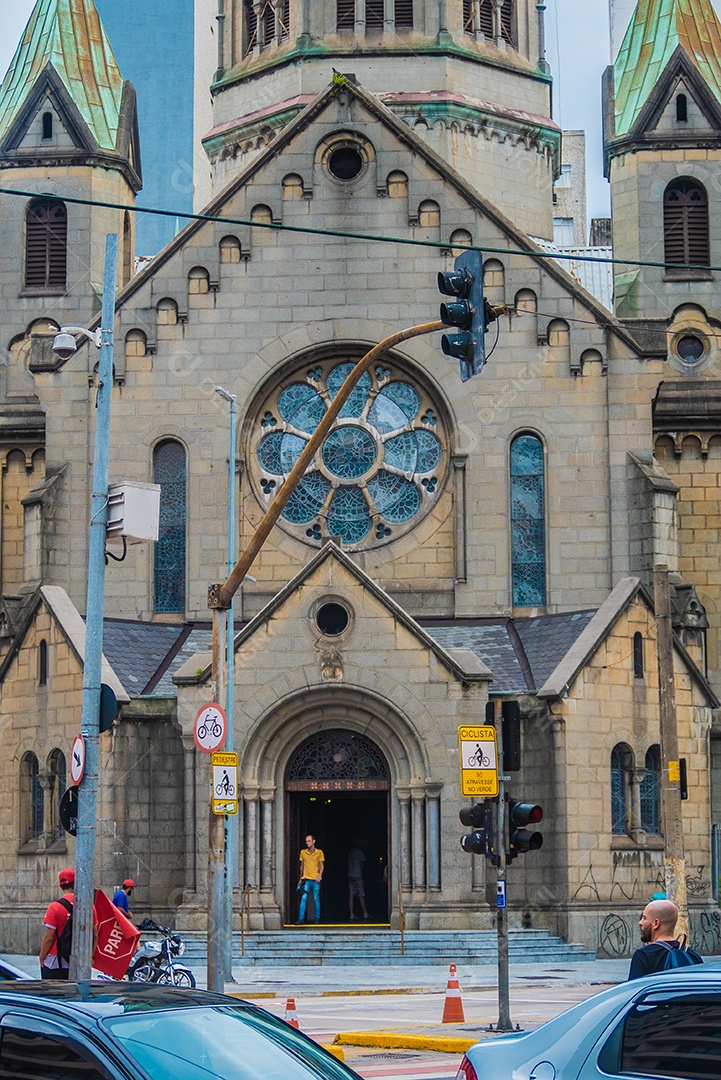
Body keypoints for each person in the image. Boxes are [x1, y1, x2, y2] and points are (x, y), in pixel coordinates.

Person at [39, 868, 98, 979]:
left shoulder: (54, 907)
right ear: (77, 883)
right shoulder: (89, 907)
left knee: (53, 995)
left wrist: (42, 956)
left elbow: (49, 938)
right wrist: (91, 956)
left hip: (55, 961)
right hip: (80, 962)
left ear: (61, 886)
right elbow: (95, 934)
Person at [628, 899, 702, 979]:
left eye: (644, 918)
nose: (640, 922)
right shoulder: (693, 956)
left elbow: (634, 988)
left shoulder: (643, 956)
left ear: (656, 923)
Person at [297, 835, 324, 924]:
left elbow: (321, 865)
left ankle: (317, 918)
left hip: (315, 880)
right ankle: (301, 919)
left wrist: (319, 875)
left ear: (314, 841)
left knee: (316, 898)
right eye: (306, 841)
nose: (307, 843)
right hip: (306, 879)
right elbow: (302, 866)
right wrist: (300, 878)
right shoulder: (303, 852)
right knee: (304, 898)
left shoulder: (319, 852)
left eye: (309, 841)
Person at [348, 839, 370, 920]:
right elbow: (362, 864)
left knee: (351, 895)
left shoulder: (350, 852)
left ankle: (351, 914)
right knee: (361, 894)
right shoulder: (359, 852)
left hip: (350, 874)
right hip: (358, 875)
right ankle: (365, 913)